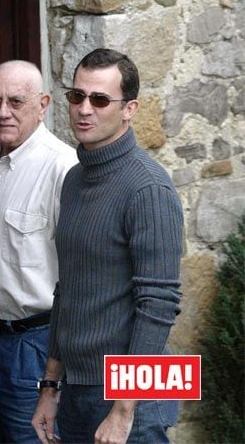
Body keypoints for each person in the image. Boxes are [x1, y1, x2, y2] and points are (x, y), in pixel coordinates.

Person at [32, 48, 183, 444]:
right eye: (76, 96)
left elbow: (159, 303)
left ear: (129, 108)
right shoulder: (75, 179)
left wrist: (123, 409)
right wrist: (50, 388)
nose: (84, 109)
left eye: (99, 100)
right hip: (80, 390)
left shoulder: (149, 188)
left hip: (132, 397)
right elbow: (69, 290)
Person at [0, 60, 77, 444]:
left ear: (43, 104)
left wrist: (53, 373)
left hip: (35, 343)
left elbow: (77, 276)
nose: (2, 112)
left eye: (16, 101)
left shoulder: (63, 167)